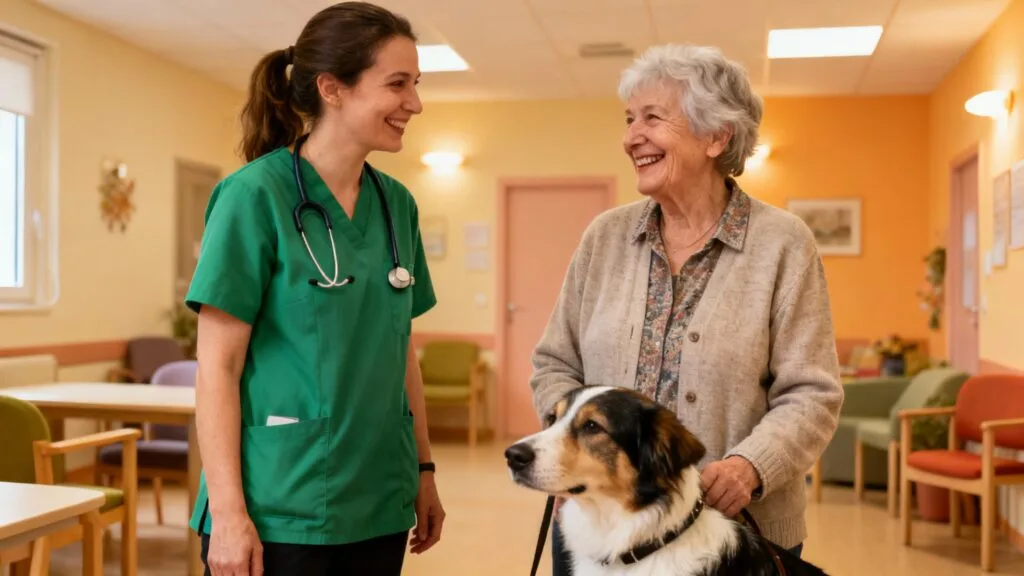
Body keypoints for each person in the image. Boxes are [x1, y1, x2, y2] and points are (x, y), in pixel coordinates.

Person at [529, 44, 843, 574]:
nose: (632, 136)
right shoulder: (605, 237)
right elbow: (554, 364)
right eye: (630, 119)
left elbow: (812, 394)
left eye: (652, 118)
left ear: (716, 136)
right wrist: (570, 447)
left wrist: (749, 466)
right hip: (602, 534)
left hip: (730, 542)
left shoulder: (783, 244)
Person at [185, 3, 444, 574]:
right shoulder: (253, 197)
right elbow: (218, 367)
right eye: (397, 84)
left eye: (416, 84)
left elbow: (400, 350)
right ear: (332, 89)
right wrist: (227, 514)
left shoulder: (396, 206)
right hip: (279, 504)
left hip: (379, 497)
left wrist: (423, 471)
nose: (415, 103)